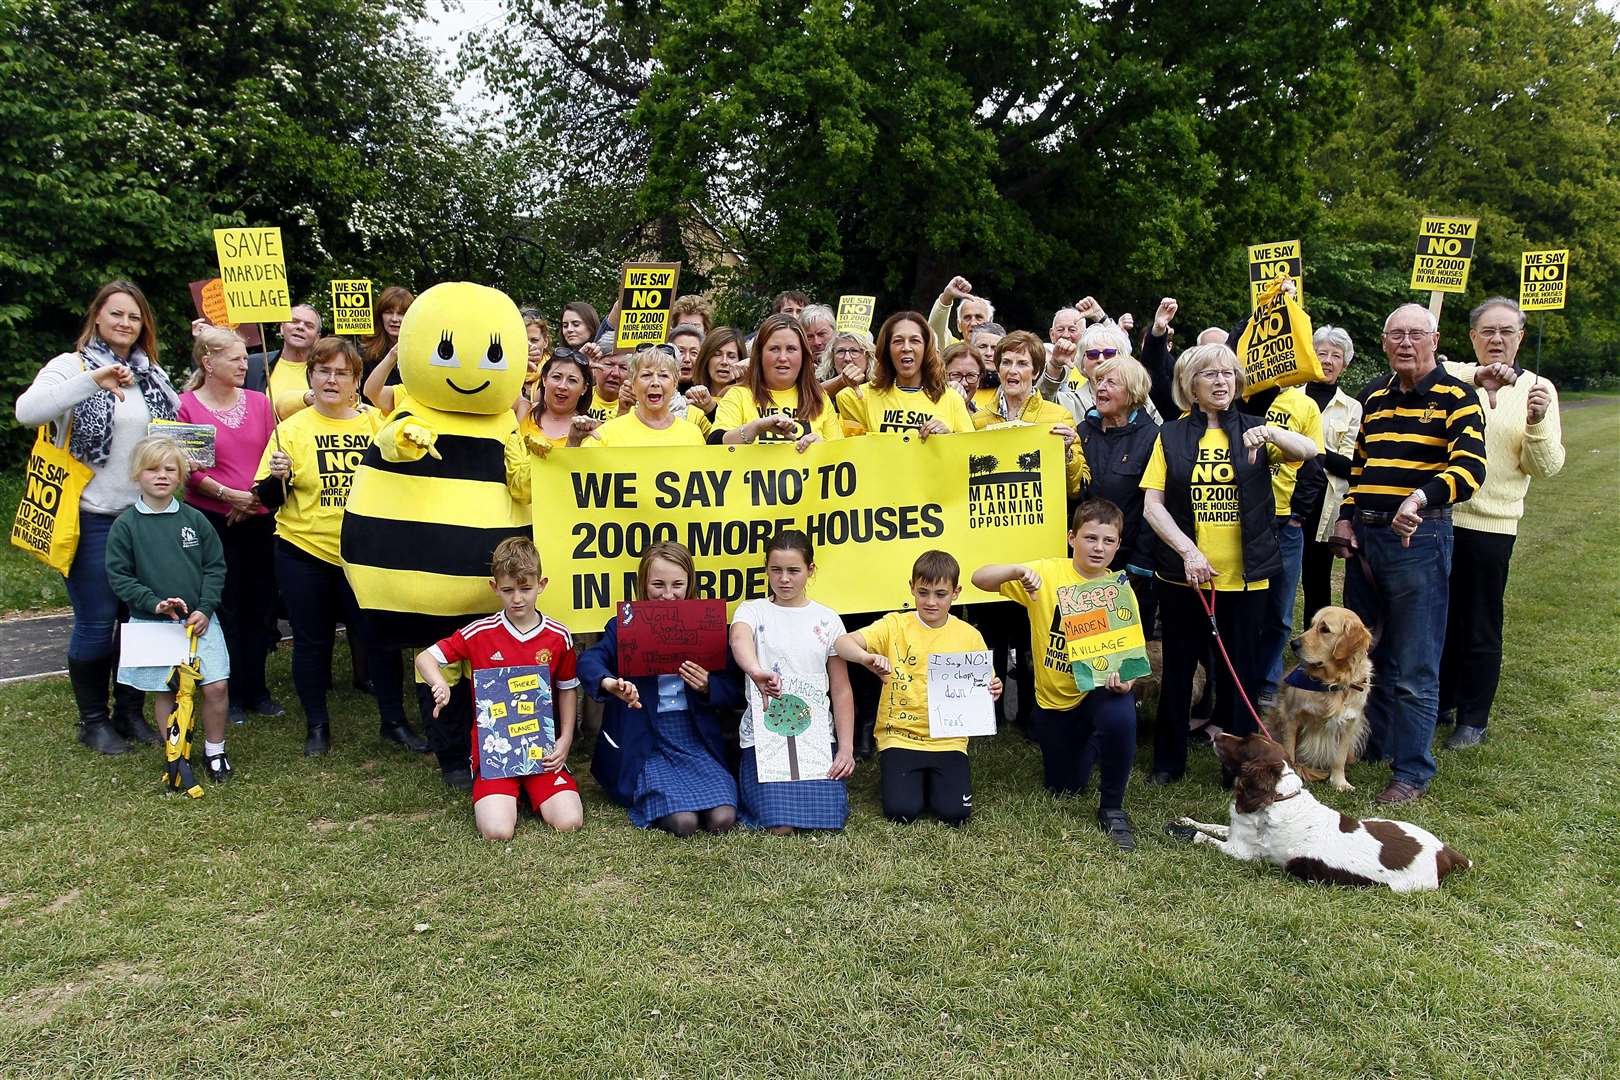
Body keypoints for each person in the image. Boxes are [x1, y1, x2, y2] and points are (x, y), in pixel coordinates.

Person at [1141, 344, 1317, 786]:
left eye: (1227, 374)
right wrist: (1189, 552)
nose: (1221, 382)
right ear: (1190, 386)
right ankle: (1168, 762)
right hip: (1184, 577)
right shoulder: (1170, 436)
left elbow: (1310, 450)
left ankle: (1238, 766)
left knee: (1241, 671)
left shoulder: (1257, 428)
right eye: (1209, 375)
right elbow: (1153, 506)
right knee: (1179, 670)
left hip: (1247, 578)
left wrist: (1274, 436)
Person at [1333, 304, 1487, 805]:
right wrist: (1345, 518)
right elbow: (1360, 469)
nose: (1405, 343)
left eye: (1415, 334)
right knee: (1365, 653)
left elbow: (1469, 469)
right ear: (1383, 342)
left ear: (1436, 339)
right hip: (1367, 540)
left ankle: (1412, 772)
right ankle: (1373, 746)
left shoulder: (1457, 397)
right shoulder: (1373, 396)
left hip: (1418, 540)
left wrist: (1419, 499)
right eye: (1395, 334)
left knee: (1416, 662)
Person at [16, 280, 177, 753]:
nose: (126, 324)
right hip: (92, 518)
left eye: (135, 317)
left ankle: (128, 714)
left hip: (145, 520)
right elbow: (28, 411)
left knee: (139, 619)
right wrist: (94, 379)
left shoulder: (152, 375)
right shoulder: (70, 366)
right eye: (117, 314)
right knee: (97, 620)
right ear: (97, 317)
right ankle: (93, 720)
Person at [253, 337, 429, 757]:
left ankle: (394, 723)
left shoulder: (374, 424)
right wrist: (278, 477)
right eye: (323, 371)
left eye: (341, 373)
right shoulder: (290, 430)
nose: (331, 379)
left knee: (379, 639)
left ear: (356, 381)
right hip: (304, 552)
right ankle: (317, 726)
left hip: (366, 554)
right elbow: (268, 500)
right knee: (312, 642)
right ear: (311, 377)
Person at [971, 500, 1142, 850]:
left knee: (1120, 709)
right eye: (1090, 538)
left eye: (1108, 541)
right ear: (1071, 538)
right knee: (1064, 787)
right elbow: (978, 579)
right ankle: (1090, 744)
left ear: (1118, 545)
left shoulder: (1119, 589)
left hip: (1095, 692)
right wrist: (1016, 571)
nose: (1099, 548)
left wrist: (1127, 681)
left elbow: (1130, 661)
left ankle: (1112, 808)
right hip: (1053, 702)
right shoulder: (1047, 573)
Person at [1437, 297, 1564, 749]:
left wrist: (1537, 422)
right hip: (1442, 516)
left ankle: (1474, 716)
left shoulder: (1538, 389)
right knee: (1440, 616)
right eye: (1487, 331)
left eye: (1506, 332)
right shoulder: (1453, 378)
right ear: (1472, 337)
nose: (1496, 340)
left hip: (1492, 525)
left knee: (1480, 621)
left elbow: (1546, 466)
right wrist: (1475, 378)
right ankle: (1442, 699)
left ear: (1520, 338)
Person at [415, 537, 584, 839]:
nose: (517, 598)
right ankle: (504, 794)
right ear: (495, 588)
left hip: (541, 752)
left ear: (541, 584)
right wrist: (438, 681)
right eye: (508, 590)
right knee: (496, 831)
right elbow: (426, 657)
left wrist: (566, 738)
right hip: (494, 754)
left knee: (569, 821)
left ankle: (535, 791)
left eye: (525, 588)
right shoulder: (480, 633)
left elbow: (567, 687)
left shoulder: (559, 636)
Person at [579, 543, 742, 836]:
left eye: (677, 584)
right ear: (643, 583)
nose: (668, 594)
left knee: (723, 818)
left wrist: (709, 685)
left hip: (694, 737)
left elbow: (735, 686)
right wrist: (610, 683)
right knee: (684, 823)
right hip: (646, 739)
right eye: (658, 584)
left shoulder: (706, 625)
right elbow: (591, 660)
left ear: (690, 583)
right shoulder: (624, 626)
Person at [834, 551, 1001, 826]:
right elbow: (842, 643)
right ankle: (907, 779)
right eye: (923, 592)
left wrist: (994, 689)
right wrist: (866, 658)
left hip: (949, 739)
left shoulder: (970, 636)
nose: (931, 601)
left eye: (941, 594)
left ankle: (932, 782)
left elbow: (986, 685)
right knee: (901, 811)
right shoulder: (894, 624)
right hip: (900, 736)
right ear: (911, 587)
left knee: (955, 814)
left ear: (956, 593)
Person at [105, 437, 232, 780]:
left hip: (199, 621)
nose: (161, 476)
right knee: (167, 690)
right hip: (152, 623)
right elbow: (119, 576)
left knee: (216, 685)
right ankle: (176, 754)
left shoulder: (195, 519)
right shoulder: (126, 525)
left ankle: (215, 752)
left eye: (169, 469)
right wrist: (154, 603)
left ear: (180, 477)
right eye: (152, 468)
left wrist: (205, 608)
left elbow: (215, 567)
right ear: (136, 474)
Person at [176, 326, 281, 724]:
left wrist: (254, 495)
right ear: (208, 362)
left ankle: (258, 689)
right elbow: (188, 468)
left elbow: (275, 455)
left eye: (244, 356)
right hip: (213, 522)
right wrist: (226, 495)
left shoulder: (259, 402)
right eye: (236, 358)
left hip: (258, 517)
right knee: (225, 606)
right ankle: (229, 692)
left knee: (261, 606)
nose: (244, 364)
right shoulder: (187, 407)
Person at [729, 530, 856, 833]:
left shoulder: (827, 620)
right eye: (776, 570)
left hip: (815, 738)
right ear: (767, 570)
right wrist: (754, 670)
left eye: (793, 571)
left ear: (810, 571)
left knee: (827, 820)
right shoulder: (752, 610)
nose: (784, 579)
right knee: (779, 824)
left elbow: (840, 690)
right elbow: (739, 639)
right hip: (763, 737)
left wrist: (846, 749)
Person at [1239, 376, 1324, 703]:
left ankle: (1268, 683)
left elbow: (1315, 463)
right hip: (1245, 519)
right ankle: (1236, 677)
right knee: (1244, 607)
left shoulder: (1304, 405)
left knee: (1279, 611)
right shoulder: (1243, 398)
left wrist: (1297, 513)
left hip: (1285, 523)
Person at [1076, 355, 1161, 632]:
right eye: (1099, 381)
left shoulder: (1152, 438)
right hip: (1083, 561)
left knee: (1125, 648)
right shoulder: (1081, 432)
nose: (1101, 387)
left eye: (1111, 382)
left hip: (1129, 564)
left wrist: (1141, 564)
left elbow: (1156, 505)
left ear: (1133, 392)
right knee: (1086, 641)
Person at [1298, 326, 1363, 623]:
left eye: (1335, 355)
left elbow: (1348, 465)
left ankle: (1315, 641)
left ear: (1344, 364)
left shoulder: (1352, 408)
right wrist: (1324, 453)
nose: (1327, 360)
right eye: (1321, 353)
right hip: (1287, 498)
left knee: (1317, 579)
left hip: (1324, 506)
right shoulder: (1290, 397)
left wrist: (1308, 447)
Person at [712, 314, 843, 450]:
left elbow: (841, 454)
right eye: (774, 349)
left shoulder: (819, 398)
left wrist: (822, 447)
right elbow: (713, 445)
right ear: (760, 355)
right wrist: (756, 427)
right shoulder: (737, 396)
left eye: (791, 349)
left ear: (803, 355)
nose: (782, 357)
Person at [835, 311, 973, 437]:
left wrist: (948, 438)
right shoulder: (862, 397)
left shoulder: (952, 399)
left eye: (915, 341)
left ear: (926, 349)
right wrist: (847, 381)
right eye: (898, 341)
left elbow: (971, 454)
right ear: (887, 350)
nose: (906, 348)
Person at [1039, 321, 1162, 425]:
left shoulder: (1138, 395)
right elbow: (1040, 401)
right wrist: (1055, 365)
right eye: (1093, 354)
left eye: (1109, 353)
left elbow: (1158, 431)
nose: (1101, 359)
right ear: (1082, 364)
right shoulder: (1071, 401)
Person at [584, 346, 707, 447]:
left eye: (663, 376)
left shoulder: (693, 434)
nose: (655, 382)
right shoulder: (606, 434)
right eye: (646, 375)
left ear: (675, 383)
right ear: (632, 382)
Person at [520, 350, 599, 451]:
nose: (562, 386)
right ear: (544, 380)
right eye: (556, 377)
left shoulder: (593, 429)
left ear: (584, 388)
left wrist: (574, 441)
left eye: (572, 380)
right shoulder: (523, 410)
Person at [266, 305, 325, 420]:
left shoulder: (326, 372)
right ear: (282, 328)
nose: (300, 327)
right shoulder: (253, 365)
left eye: (309, 326)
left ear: (317, 338)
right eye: (294, 322)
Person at [360, 285, 415, 389]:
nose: (394, 319)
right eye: (388, 312)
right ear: (380, 316)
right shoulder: (365, 354)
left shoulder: (422, 352)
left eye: (401, 314)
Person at [928, 275, 994, 349]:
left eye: (979, 317)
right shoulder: (951, 348)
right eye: (967, 318)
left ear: (990, 322)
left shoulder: (1000, 353)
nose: (973, 323)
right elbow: (935, 332)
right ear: (959, 325)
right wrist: (946, 297)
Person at [691, 326, 747, 413]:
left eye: (731, 356)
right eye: (717, 354)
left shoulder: (748, 400)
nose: (724, 362)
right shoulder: (691, 400)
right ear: (706, 359)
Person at [815, 331, 873, 402]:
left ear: (868, 356)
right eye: (840, 351)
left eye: (854, 351)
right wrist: (843, 380)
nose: (847, 358)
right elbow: (809, 398)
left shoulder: (881, 384)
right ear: (832, 357)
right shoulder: (818, 380)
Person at [582, 349, 630, 424]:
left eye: (623, 368)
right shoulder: (579, 396)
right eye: (609, 365)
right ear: (594, 368)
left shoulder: (635, 406)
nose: (615, 373)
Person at [943, 343, 983, 415]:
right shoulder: (927, 412)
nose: (964, 383)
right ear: (941, 375)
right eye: (956, 375)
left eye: (971, 375)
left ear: (979, 379)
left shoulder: (982, 418)